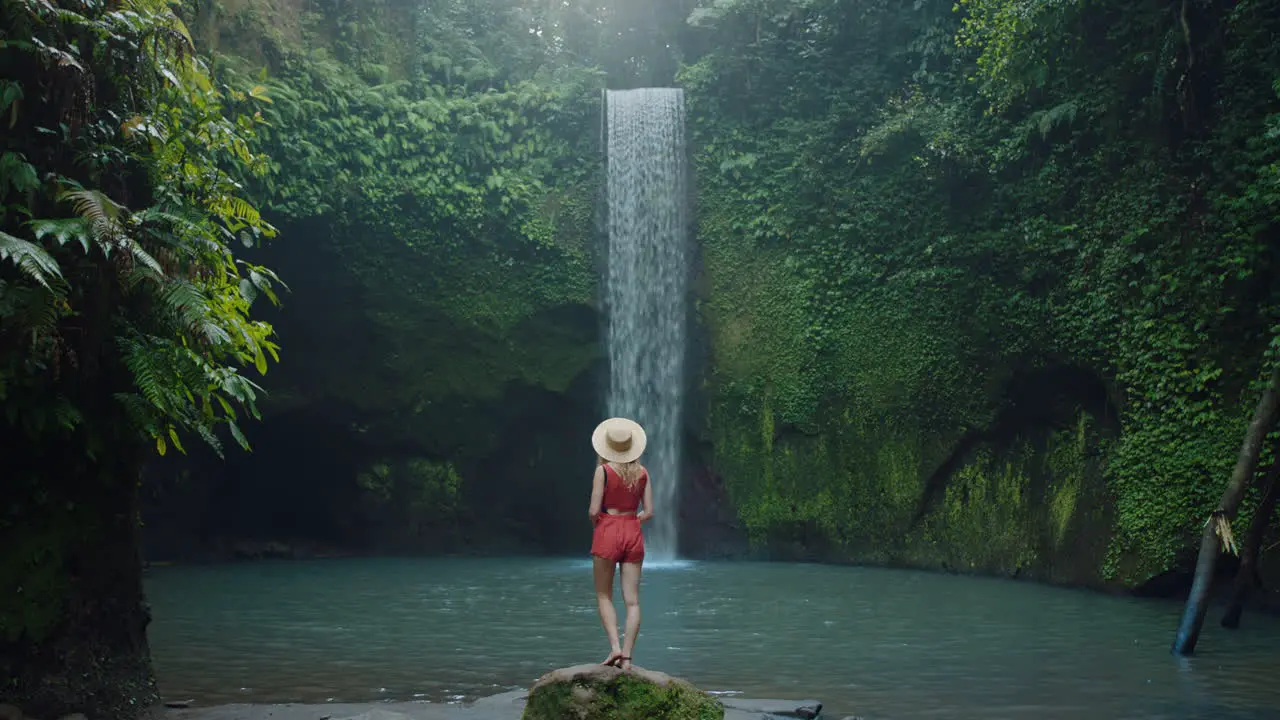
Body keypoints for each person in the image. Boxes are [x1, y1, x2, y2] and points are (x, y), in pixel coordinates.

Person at [588, 417, 654, 671]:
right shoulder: (643, 473)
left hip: (608, 529)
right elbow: (648, 512)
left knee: (604, 594)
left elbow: (594, 509)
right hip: (632, 530)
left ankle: (615, 647)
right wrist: (631, 521)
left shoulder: (602, 471)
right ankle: (627, 657)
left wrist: (603, 522)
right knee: (633, 601)